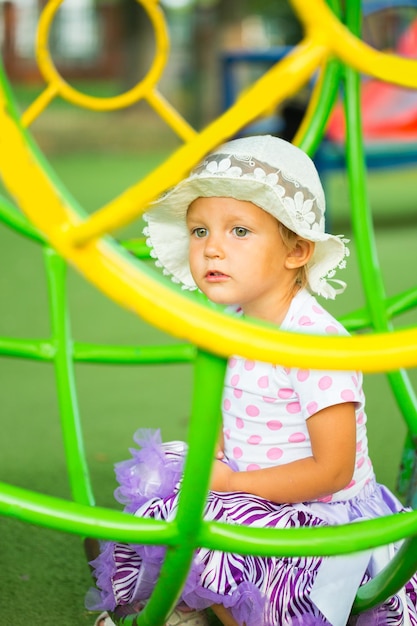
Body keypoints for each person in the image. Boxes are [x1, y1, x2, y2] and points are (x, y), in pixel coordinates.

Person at [86, 135, 417, 626]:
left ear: (296, 251)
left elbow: (334, 470)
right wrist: (220, 457)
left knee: (208, 533)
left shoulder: (315, 342)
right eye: (199, 231)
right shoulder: (237, 320)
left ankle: (225, 610)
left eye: (239, 231)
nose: (212, 247)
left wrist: (235, 483)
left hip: (313, 512)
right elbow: (233, 410)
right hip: (252, 485)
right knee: (173, 508)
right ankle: (185, 599)